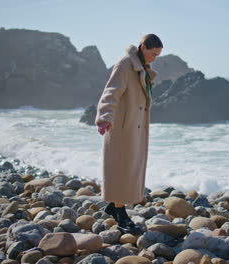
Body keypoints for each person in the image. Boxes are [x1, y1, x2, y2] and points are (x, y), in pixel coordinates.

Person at [95, 34, 163, 234]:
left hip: (135, 126)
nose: (154, 58)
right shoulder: (126, 64)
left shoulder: (140, 66)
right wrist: (104, 117)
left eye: (158, 55)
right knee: (121, 169)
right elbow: (110, 92)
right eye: (152, 54)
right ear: (143, 47)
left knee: (130, 168)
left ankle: (114, 206)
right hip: (121, 127)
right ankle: (121, 214)